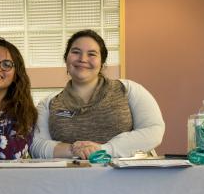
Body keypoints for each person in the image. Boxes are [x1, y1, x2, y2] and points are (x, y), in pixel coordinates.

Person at [30, 30, 165, 159]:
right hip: (70, 180)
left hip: (127, 179)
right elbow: (36, 146)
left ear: (102, 63)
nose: (83, 59)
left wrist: (103, 150)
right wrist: (73, 150)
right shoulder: (48, 103)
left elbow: (154, 130)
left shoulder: (129, 89)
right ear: (66, 59)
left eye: (92, 54)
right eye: (76, 52)